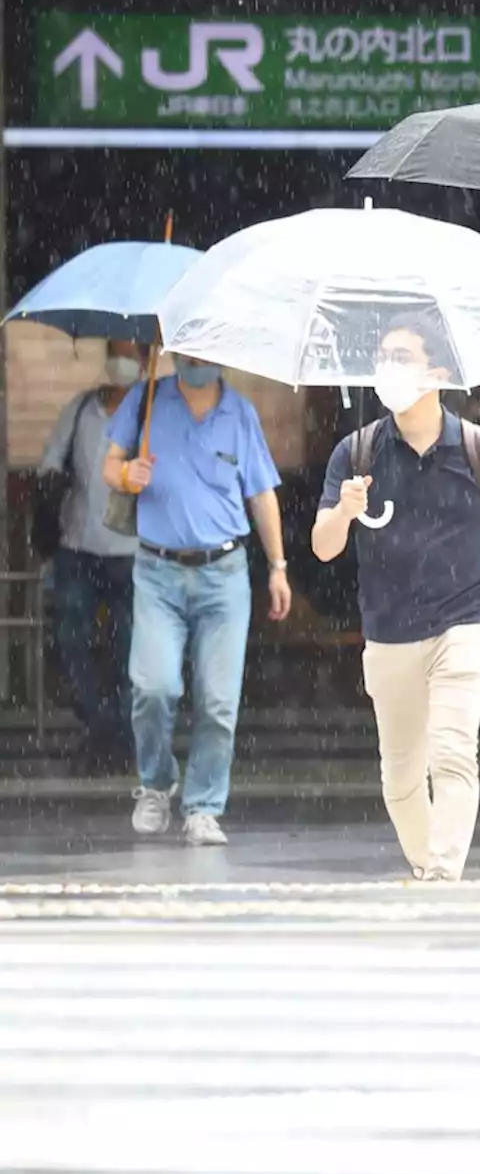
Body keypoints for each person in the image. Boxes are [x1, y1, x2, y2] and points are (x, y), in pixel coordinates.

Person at [312, 315, 480, 882]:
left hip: (468, 620)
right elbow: (324, 546)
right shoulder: (355, 454)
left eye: (401, 357)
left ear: (436, 372)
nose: (388, 370)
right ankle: (426, 865)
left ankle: (442, 877)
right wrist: (344, 511)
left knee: (453, 748)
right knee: (400, 775)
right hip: (389, 632)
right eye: (383, 358)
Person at [102, 356, 290, 846]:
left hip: (224, 575)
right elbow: (109, 466)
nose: (195, 360)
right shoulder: (146, 398)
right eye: (187, 349)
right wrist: (128, 476)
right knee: (153, 686)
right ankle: (156, 783)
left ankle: (204, 806)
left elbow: (262, 494)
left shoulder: (240, 413)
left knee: (218, 700)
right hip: (157, 571)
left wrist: (278, 566)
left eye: (205, 351)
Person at [36, 340, 144, 771]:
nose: (124, 361)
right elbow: (49, 464)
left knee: (128, 650)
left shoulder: (150, 413)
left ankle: (117, 734)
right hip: (77, 547)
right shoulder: (82, 409)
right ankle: (99, 727)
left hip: (132, 553)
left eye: (132, 353)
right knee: (70, 641)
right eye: (118, 351)